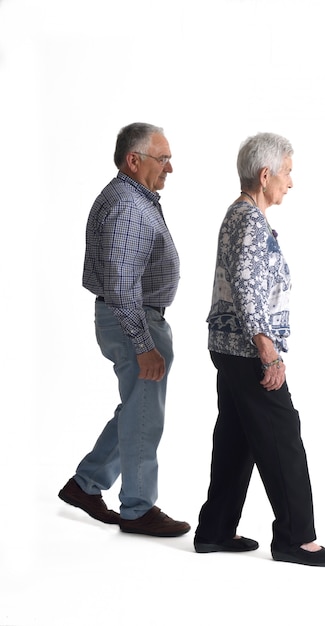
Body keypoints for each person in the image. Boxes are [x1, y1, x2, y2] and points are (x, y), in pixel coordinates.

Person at [194, 132, 325, 566]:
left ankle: (215, 530)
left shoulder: (241, 216)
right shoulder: (249, 221)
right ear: (265, 174)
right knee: (282, 436)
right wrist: (268, 351)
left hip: (228, 346)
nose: (290, 182)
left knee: (237, 438)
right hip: (247, 350)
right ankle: (296, 539)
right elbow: (246, 287)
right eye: (288, 172)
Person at [58, 122, 190, 538]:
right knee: (144, 417)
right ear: (134, 160)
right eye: (162, 158)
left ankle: (85, 484)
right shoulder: (129, 207)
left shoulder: (132, 198)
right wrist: (143, 343)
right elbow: (119, 283)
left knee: (137, 409)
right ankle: (137, 509)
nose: (170, 167)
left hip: (135, 317)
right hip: (135, 320)